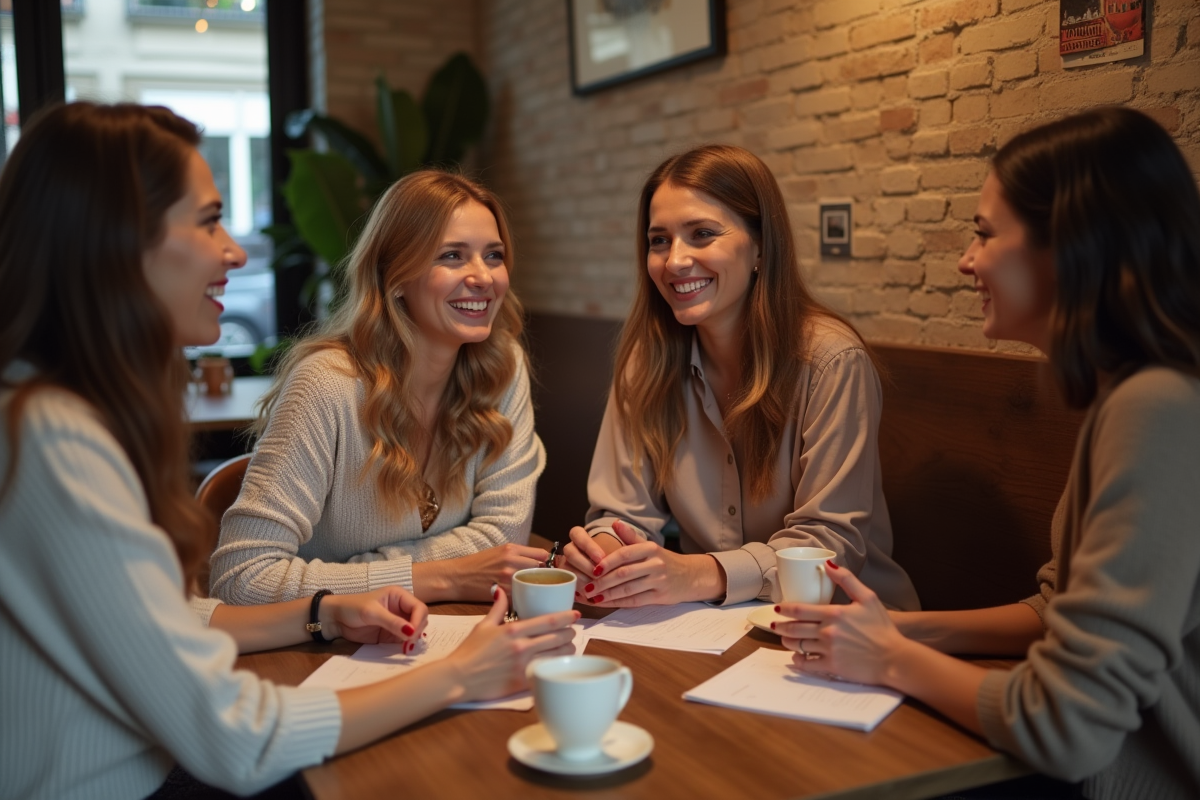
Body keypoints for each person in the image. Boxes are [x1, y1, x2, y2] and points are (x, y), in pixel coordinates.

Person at [0, 102, 577, 800]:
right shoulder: (54, 440)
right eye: (209, 221)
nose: (236, 252)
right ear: (116, 241)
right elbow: (236, 735)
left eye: (493, 255)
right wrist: (459, 668)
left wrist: (324, 606)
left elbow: (167, 618)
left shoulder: (53, 417)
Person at [775, 108, 1200, 799]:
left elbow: (1067, 725)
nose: (966, 260)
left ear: (1070, 246)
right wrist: (901, 630)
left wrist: (889, 659)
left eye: (985, 232)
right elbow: (1058, 607)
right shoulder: (1130, 395)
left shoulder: (1158, 408)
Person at [560, 144, 919, 610]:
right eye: (659, 240)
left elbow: (827, 548)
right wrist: (606, 555)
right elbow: (620, 512)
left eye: (702, 234)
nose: (674, 261)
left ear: (760, 246)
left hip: (849, 626)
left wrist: (695, 573)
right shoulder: (645, 362)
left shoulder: (832, 361)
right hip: (709, 623)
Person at [209, 169, 549, 606]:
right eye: (452, 255)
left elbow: (505, 537)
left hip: (441, 629)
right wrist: (444, 576)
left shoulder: (503, 367)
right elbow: (241, 578)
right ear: (395, 276)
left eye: (494, 255)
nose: (483, 277)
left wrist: (360, 573)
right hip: (320, 642)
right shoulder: (326, 385)